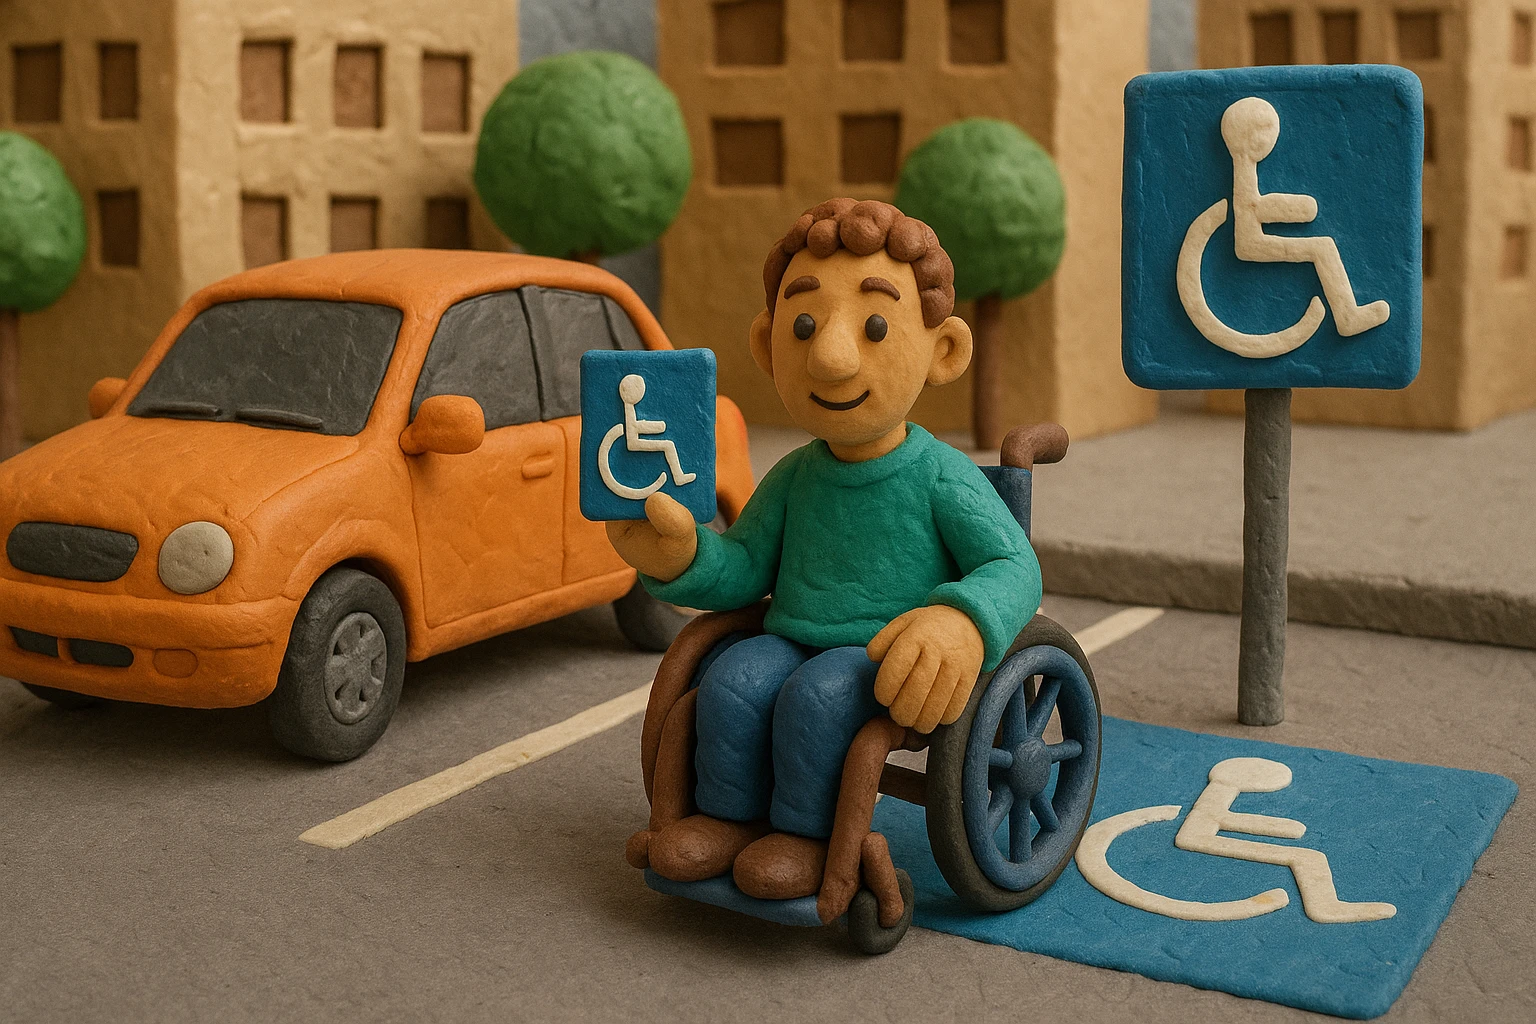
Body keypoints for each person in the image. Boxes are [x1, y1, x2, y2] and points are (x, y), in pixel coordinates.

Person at [608, 198, 1042, 900]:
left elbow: (1014, 564)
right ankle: (723, 820)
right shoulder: (795, 476)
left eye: (875, 326)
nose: (832, 356)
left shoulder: (939, 475)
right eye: (803, 325)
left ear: (945, 351)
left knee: (817, 698)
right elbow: (747, 566)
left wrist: (961, 619)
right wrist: (683, 557)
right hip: (788, 633)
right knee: (732, 681)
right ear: (767, 341)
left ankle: (805, 838)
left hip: (878, 653)